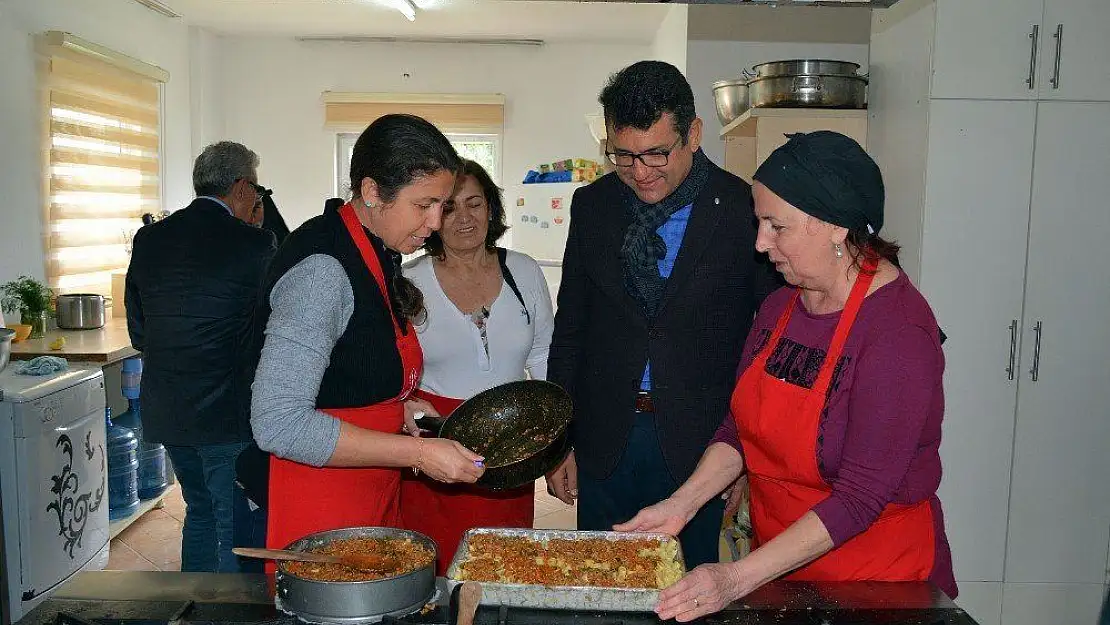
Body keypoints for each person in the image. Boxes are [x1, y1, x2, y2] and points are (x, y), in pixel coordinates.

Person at [617, 131, 956, 621]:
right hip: (783, 567)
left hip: (875, 583)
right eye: (759, 222)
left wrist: (734, 577)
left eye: (777, 227)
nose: (760, 243)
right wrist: (682, 504)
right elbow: (739, 428)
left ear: (836, 227)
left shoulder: (896, 333)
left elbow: (860, 499)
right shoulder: (780, 307)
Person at [545, 60, 778, 568]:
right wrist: (558, 441)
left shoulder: (742, 209)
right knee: (602, 585)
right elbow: (571, 332)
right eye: (623, 155)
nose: (641, 171)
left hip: (701, 443)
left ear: (693, 134)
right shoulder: (593, 206)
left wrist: (743, 458)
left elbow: (761, 348)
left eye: (656, 153)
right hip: (605, 439)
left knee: (686, 589)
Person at [247, 114, 485, 555]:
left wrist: (397, 407)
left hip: (370, 490)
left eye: (443, 204)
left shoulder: (379, 247)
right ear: (373, 192)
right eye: (424, 204)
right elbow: (278, 422)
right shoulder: (323, 270)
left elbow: (348, 364)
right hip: (322, 501)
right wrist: (417, 455)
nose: (436, 221)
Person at [125, 141, 276, 572]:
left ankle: (193, 609)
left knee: (199, 511)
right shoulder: (255, 244)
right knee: (231, 521)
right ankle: (226, 615)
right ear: (244, 187)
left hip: (169, 406)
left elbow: (140, 330)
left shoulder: (150, 237)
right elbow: (267, 329)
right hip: (227, 409)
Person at [399, 160, 555, 575]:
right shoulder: (407, 281)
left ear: (491, 209)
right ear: (433, 215)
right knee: (433, 571)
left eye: (475, 203)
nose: (464, 218)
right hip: (435, 441)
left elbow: (543, 356)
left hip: (511, 442)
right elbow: (393, 371)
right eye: (450, 207)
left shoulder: (523, 270)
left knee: (502, 565)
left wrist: (559, 446)